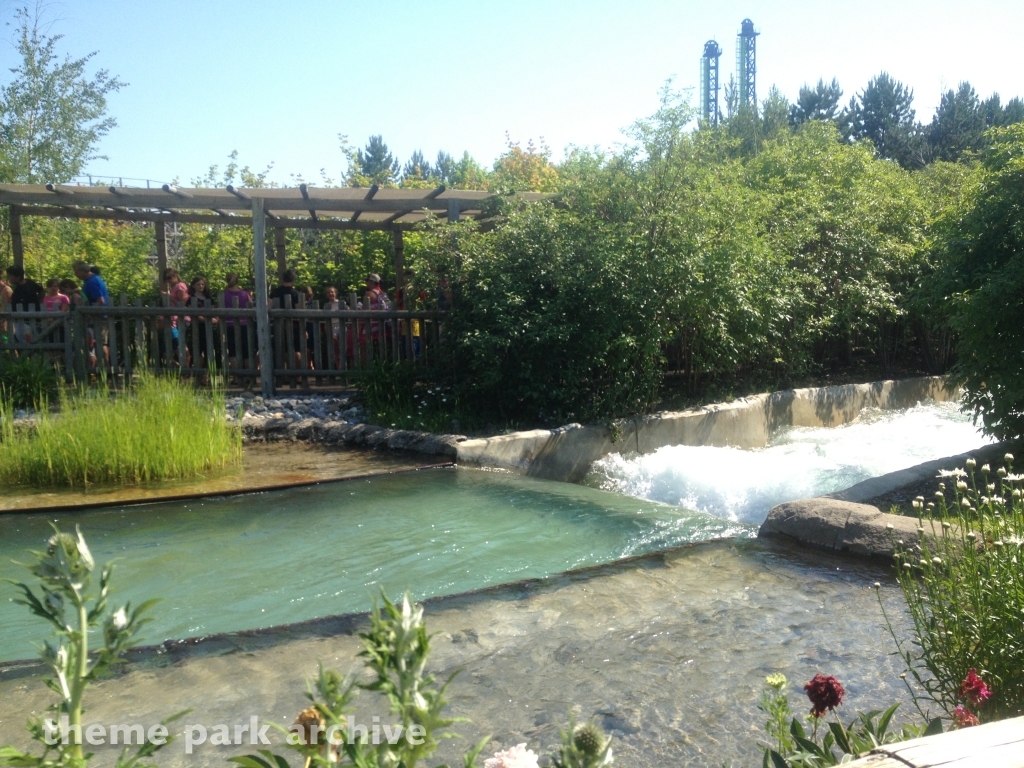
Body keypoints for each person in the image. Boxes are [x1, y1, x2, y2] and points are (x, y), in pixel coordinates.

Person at [72, 260, 109, 367]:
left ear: (82, 270)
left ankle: (105, 370)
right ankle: (102, 370)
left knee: (99, 344)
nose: (75, 275)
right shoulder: (91, 280)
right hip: (97, 317)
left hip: (98, 318)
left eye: (76, 272)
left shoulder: (92, 282)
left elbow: (100, 301)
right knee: (99, 343)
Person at [269, 269, 303, 372]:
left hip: (278, 324)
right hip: (294, 324)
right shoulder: (295, 293)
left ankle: (284, 373)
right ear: (293, 280)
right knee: (295, 349)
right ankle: (297, 374)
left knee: (281, 348)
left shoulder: (275, 292)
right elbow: (298, 310)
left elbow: (269, 307)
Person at [222, 272, 251, 375]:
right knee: (246, 350)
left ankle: (236, 376)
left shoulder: (224, 294)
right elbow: (250, 306)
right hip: (244, 324)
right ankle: (249, 375)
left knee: (233, 350)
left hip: (229, 324)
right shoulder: (244, 294)